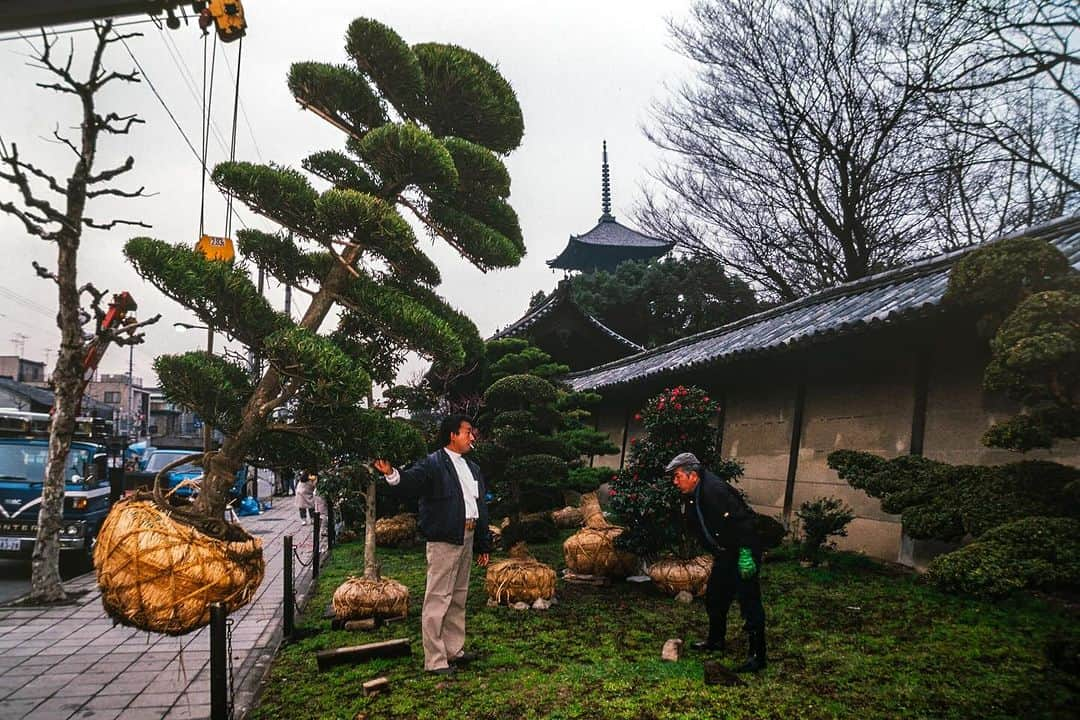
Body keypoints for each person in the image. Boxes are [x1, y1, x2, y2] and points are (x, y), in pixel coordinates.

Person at [373, 414, 492, 676]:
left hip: (468, 535)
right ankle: (436, 660)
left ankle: (454, 650)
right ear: (452, 435)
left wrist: (483, 544)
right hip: (444, 539)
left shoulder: (472, 467)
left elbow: (479, 506)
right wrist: (392, 475)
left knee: (458, 596)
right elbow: (411, 482)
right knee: (438, 599)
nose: (472, 437)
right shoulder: (433, 463)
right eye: (468, 432)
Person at [665, 451, 767, 673]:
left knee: (749, 601)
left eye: (677, 476)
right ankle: (716, 641)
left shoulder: (715, 491)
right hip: (725, 553)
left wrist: (747, 555)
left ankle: (758, 655)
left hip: (742, 551)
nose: (675, 482)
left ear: (692, 475)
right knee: (715, 596)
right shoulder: (694, 493)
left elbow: (745, 522)